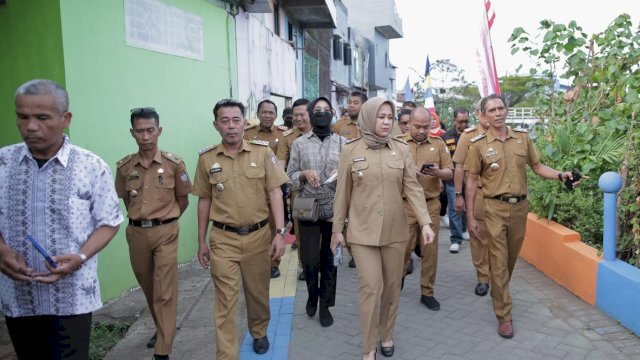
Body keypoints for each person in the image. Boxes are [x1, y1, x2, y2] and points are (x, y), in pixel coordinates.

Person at [0, 79, 123, 359]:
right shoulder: (2, 163)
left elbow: (109, 221)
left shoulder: (91, 167)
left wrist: (80, 257)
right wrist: (2, 250)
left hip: (71, 297)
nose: (31, 126)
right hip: (19, 296)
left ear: (65, 119)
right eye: (23, 117)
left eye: (42, 118)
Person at [464, 94, 579, 339]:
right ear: (484, 116)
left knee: (509, 260)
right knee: (497, 259)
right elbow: (471, 181)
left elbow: (537, 167)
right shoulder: (478, 144)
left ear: (507, 111)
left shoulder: (523, 139)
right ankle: (504, 315)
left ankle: (499, 290)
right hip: (493, 208)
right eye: (492, 110)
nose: (498, 113)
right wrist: (471, 218)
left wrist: (561, 175)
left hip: (519, 209)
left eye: (501, 108)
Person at [331, 97, 435, 360]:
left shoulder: (401, 150)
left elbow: (412, 188)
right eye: (381, 117)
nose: (387, 122)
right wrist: (336, 230)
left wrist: (425, 222)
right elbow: (342, 193)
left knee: (391, 287)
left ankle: (386, 334)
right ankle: (368, 348)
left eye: (390, 117)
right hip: (362, 233)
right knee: (371, 287)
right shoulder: (350, 150)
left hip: (395, 232)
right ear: (368, 118)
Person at [193, 99, 288, 359]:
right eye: (225, 121)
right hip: (223, 239)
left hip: (259, 237)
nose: (231, 126)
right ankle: (226, 354)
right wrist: (201, 241)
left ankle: (259, 331)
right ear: (216, 125)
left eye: (236, 120)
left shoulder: (262, 153)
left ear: (245, 123)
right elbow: (204, 200)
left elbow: (275, 192)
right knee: (225, 300)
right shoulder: (206, 159)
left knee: (257, 293)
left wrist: (280, 233)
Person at [114, 107, 192, 360]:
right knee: (148, 286)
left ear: (159, 131)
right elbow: (126, 201)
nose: (145, 136)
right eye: (140, 131)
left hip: (166, 231)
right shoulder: (125, 166)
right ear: (132, 133)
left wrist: (166, 220)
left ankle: (163, 350)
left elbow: (183, 199)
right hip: (136, 234)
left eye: (150, 130)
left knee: (165, 290)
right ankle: (162, 327)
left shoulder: (174, 163)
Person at [287, 96, 343, 327]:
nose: (322, 113)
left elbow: (350, 178)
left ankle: (325, 305)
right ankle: (312, 293)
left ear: (332, 114)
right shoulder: (299, 143)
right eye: (317, 110)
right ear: (311, 115)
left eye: (326, 110)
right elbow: (289, 178)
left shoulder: (343, 143)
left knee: (329, 260)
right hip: (306, 206)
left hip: (333, 207)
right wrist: (303, 174)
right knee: (309, 259)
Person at [399, 107, 453, 311]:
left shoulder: (438, 144)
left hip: (430, 204)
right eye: (417, 127)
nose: (421, 131)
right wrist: (405, 171)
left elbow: (450, 172)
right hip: (406, 205)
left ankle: (427, 292)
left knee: (430, 251)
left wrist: (438, 172)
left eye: (425, 127)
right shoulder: (397, 143)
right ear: (408, 124)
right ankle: (399, 277)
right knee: (403, 247)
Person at [244, 99, 288, 278]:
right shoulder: (247, 134)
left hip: (273, 189)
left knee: (273, 227)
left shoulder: (282, 134)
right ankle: (254, 261)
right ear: (258, 114)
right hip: (252, 191)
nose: (267, 115)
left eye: (271, 112)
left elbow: (281, 164)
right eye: (264, 112)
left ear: (276, 116)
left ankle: (273, 263)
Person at [452, 103, 491, 297]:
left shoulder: (506, 134)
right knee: (478, 237)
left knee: (497, 238)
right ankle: (483, 277)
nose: (489, 115)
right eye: (485, 112)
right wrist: (458, 195)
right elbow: (459, 167)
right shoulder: (468, 136)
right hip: (478, 193)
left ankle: (497, 274)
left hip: (502, 196)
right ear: (478, 114)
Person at [276, 98, 312, 265]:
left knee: (325, 231)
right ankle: (305, 266)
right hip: (300, 194)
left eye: (301, 114)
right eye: (295, 115)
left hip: (325, 193)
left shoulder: (324, 133)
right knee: (302, 233)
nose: (298, 118)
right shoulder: (288, 138)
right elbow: (280, 165)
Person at [441, 108, 471, 253]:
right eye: (460, 122)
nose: (464, 125)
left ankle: (465, 230)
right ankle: (455, 239)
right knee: (454, 209)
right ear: (454, 120)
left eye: (466, 121)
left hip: (471, 179)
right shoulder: (445, 137)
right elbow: (441, 160)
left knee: (467, 207)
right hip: (452, 180)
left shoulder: (473, 136)